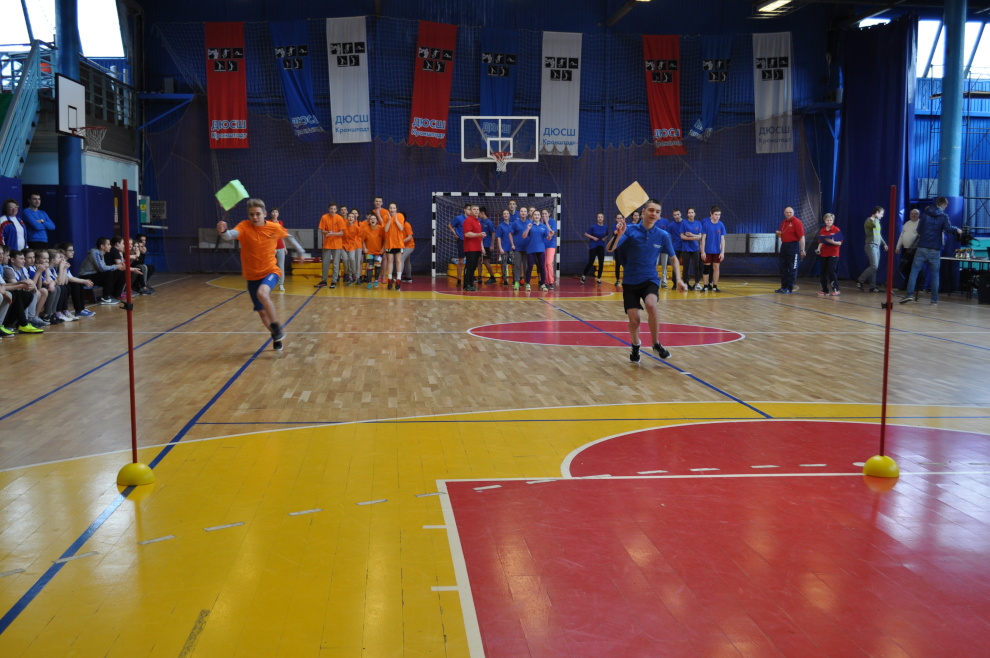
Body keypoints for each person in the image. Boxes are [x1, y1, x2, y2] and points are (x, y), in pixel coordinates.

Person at [217, 198, 308, 351]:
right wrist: (223, 230)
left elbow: (289, 237)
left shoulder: (274, 227)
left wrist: (301, 251)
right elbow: (230, 235)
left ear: (265, 213)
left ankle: (276, 326)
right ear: (248, 215)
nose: (255, 217)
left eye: (258, 214)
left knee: (262, 293)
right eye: (251, 214)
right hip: (252, 276)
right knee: (262, 313)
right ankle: (276, 335)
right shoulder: (244, 226)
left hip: (270, 271)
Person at [607, 199, 687, 363]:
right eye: (651, 210)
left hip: (650, 278)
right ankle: (636, 344)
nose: (654, 214)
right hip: (630, 280)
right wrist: (619, 234)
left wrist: (679, 279)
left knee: (651, 304)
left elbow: (673, 258)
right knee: (634, 320)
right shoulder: (630, 230)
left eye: (657, 211)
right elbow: (610, 248)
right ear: (643, 212)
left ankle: (656, 343)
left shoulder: (663, 235)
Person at [900, 197, 963, 306]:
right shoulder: (944, 216)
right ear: (943, 205)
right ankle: (934, 300)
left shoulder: (925, 215)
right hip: (935, 249)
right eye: (945, 206)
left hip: (922, 247)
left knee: (914, 271)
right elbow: (948, 228)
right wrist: (957, 229)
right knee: (935, 275)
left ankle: (909, 294)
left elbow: (919, 230)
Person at [79, 237, 125, 303]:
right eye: (108, 244)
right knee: (108, 273)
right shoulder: (95, 253)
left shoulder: (101, 253)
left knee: (117, 273)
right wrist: (116, 266)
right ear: (102, 246)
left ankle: (114, 294)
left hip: (94, 274)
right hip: (86, 276)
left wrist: (117, 266)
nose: (110, 246)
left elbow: (103, 268)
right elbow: (102, 268)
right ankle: (106, 297)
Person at [856, 206, 888, 292]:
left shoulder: (877, 221)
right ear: (877, 213)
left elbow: (878, 234)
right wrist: (876, 218)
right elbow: (873, 225)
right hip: (871, 245)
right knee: (874, 266)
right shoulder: (869, 221)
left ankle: (872, 286)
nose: (882, 216)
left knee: (874, 267)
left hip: (877, 246)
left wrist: (884, 243)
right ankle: (860, 280)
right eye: (881, 214)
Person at [775, 206, 805, 294]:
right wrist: (779, 234)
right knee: (783, 267)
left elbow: (801, 237)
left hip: (793, 246)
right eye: (787, 212)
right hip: (784, 246)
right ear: (784, 213)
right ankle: (783, 286)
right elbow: (783, 236)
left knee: (792, 267)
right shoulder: (783, 222)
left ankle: (789, 288)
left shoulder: (797, 222)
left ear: (793, 213)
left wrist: (802, 250)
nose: (788, 214)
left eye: (790, 212)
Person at [317, 203, 345, 289]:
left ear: (336, 210)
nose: (333, 210)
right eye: (331, 209)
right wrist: (327, 232)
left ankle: (334, 281)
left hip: (337, 245)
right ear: (328, 209)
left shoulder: (339, 218)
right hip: (327, 244)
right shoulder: (324, 217)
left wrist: (333, 234)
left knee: (336, 264)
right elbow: (322, 231)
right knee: (325, 263)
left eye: (334, 209)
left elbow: (342, 232)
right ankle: (324, 281)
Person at [521, 209, 550, 291]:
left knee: (542, 267)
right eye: (535, 215)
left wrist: (550, 235)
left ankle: (543, 284)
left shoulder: (543, 226)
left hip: (541, 250)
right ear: (532, 216)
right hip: (531, 249)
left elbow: (548, 238)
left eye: (538, 215)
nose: (537, 216)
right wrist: (528, 229)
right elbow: (523, 236)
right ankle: (527, 284)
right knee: (530, 266)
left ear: (540, 216)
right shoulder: (529, 225)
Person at [699, 206, 726, 292]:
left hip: (717, 251)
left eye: (719, 215)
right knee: (706, 268)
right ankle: (705, 286)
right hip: (707, 251)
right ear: (711, 214)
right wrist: (703, 252)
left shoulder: (721, 225)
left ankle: (715, 286)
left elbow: (722, 239)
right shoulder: (706, 225)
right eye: (716, 214)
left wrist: (722, 252)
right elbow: (703, 239)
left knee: (716, 268)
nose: (717, 216)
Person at [815, 213, 843, 296]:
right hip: (824, 253)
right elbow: (820, 242)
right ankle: (824, 290)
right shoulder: (822, 230)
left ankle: (836, 289)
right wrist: (818, 249)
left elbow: (840, 243)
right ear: (825, 221)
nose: (829, 221)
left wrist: (833, 242)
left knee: (831, 271)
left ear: (833, 221)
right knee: (823, 271)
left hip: (833, 253)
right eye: (827, 220)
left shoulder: (836, 230)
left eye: (830, 220)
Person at [382, 202, 407, 290]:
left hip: (398, 242)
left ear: (396, 209)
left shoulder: (400, 216)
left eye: (393, 208)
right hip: (389, 243)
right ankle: (389, 279)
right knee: (390, 260)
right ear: (388, 209)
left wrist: (395, 220)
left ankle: (398, 280)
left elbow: (401, 228)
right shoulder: (386, 217)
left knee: (398, 260)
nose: (392, 209)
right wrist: (389, 220)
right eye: (390, 208)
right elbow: (385, 229)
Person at [895, 208, 922, 290]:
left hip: (916, 249)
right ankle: (906, 285)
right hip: (906, 249)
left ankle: (916, 287)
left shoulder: (921, 223)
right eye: (912, 214)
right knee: (906, 268)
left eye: (915, 214)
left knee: (915, 268)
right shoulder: (907, 223)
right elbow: (901, 236)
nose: (913, 215)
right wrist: (898, 246)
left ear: (918, 215)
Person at [462, 205, 485, 291]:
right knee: (469, 266)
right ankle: (466, 284)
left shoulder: (478, 221)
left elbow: (479, 236)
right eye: (474, 209)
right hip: (470, 248)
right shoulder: (468, 220)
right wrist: (478, 234)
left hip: (477, 248)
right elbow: (467, 234)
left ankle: (471, 283)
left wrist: (482, 247)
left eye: (477, 209)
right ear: (470, 211)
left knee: (473, 267)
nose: (476, 211)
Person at [680, 207, 703, 290]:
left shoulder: (698, 223)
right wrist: (693, 238)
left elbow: (700, 236)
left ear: (694, 214)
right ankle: (685, 283)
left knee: (696, 266)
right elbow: (682, 236)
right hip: (685, 248)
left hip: (695, 248)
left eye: (692, 212)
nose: (691, 214)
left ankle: (697, 283)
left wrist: (691, 235)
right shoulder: (684, 223)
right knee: (686, 266)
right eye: (689, 213)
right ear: (687, 214)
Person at [581, 212, 609, 284]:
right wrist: (593, 237)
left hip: (601, 246)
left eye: (601, 217)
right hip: (593, 246)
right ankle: (584, 275)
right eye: (598, 217)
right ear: (597, 218)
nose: (600, 218)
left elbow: (606, 234)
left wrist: (605, 238)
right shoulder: (593, 227)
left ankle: (599, 278)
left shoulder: (605, 227)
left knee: (601, 262)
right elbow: (586, 234)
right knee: (591, 262)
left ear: (603, 218)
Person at [362, 212, 385, 289]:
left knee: (377, 265)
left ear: (377, 221)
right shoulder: (366, 229)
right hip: (369, 252)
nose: (373, 220)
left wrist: (383, 248)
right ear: (369, 221)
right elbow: (362, 240)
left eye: (374, 219)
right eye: (371, 219)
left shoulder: (381, 229)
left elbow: (385, 239)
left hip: (378, 252)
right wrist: (364, 248)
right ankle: (369, 282)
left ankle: (376, 280)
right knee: (370, 266)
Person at [448, 203, 469, 286]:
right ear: (465, 210)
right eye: (468, 209)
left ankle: (468, 278)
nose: (470, 211)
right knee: (461, 260)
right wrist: (455, 234)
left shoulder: (473, 219)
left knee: (471, 261)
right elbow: (450, 225)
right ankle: (459, 279)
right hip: (462, 240)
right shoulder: (459, 218)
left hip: (470, 241)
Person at [509, 207, 529, 290]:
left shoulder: (530, 223)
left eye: (525, 211)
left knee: (526, 266)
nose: (523, 212)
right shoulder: (515, 223)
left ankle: (527, 282)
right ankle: (517, 281)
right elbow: (510, 234)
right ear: (519, 213)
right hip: (517, 248)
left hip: (527, 248)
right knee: (517, 265)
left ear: (527, 213)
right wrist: (512, 244)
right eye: (521, 211)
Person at [342, 210, 362, 285]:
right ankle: (348, 276)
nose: (351, 217)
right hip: (344, 245)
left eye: (353, 216)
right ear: (347, 218)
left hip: (354, 245)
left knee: (354, 260)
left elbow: (360, 237)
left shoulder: (358, 226)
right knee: (345, 260)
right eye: (350, 216)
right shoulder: (343, 225)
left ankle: (356, 276)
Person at [479, 207, 497, 284]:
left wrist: (492, 245)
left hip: (487, 244)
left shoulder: (489, 222)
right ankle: (479, 277)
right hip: (480, 244)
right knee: (479, 260)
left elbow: (493, 233)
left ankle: (492, 277)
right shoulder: (480, 221)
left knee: (486, 261)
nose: (478, 215)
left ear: (482, 213)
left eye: (479, 213)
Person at [495, 210, 513, 285]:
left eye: (507, 213)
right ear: (502, 216)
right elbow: (498, 237)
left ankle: (515, 280)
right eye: (504, 214)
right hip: (504, 247)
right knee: (504, 264)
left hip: (512, 248)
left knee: (514, 263)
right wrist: (500, 248)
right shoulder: (500, 226)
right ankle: (504, 279)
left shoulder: (512, 224)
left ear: (509, 215)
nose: (506, 215)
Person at [271, 208, 287, 292]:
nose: (275, 213)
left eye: (276, 212)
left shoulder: (281, 222)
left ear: (278, 213)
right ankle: (268, 283)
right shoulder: (268, 222)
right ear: (270, 214)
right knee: (270, 266)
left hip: (281, 247)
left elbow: (282, 235)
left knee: (281, 266)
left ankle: (281, 284)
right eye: (273, 212)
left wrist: (285, 247)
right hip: (271, 248)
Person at [542, 208, 558, 290]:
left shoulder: (552, 222)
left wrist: (546, 222)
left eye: (545, 213)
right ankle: (545, 281)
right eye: (543, 214)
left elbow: (551, 232)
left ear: (549, 214)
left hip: (551, 245)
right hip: (542, 245)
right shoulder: (540, 222)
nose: (544, 215)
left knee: (549, 263)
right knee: (544, 264)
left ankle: (551, 282)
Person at [400, 215, 415, 283]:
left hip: (409, 245)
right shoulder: (398, 224)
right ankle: (408, 277)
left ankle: (398, 277)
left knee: (401, 258)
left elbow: (410, 237)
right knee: (406, 261)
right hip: (403, 246)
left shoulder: (406, 225)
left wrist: (401, 242)